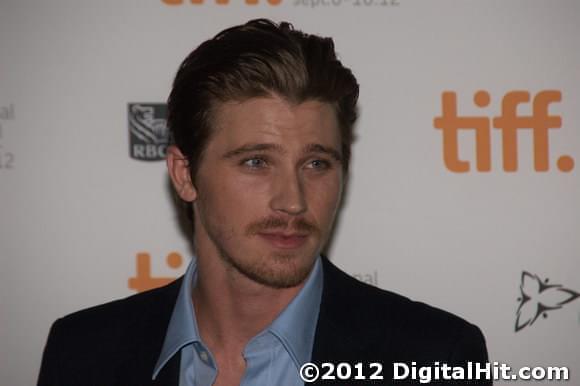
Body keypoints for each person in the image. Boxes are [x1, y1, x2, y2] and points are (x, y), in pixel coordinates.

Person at [37, 19, 490, 386]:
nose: (293, 201)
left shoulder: (436, 358)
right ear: (185, 175)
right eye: (256, 162)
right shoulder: (82, 352)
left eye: (316, 164)